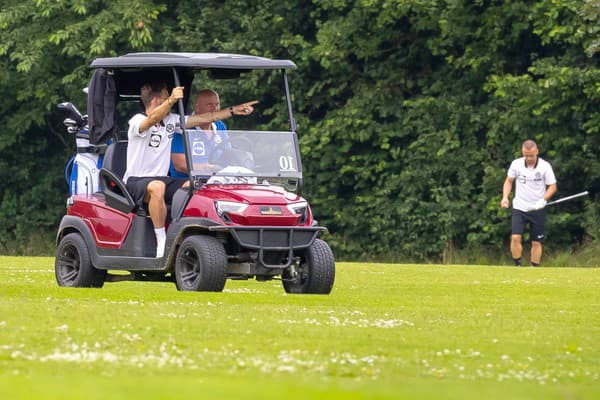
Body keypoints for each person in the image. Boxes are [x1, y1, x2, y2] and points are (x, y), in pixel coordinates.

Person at [124, 81, 257, 257]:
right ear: (156, 101)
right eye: (165, 99)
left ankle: (187, 232)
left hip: (162, 179)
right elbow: (152, 120)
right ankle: (162, 241)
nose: (170, 104)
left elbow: (204, 118)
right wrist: (171, 100)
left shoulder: (172, 121)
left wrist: (233, 110)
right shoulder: (137, 121)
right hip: (136, 181)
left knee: (196, 185)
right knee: (157, 187)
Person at [500, 139, 557, 266]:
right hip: (519, 207)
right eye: (526, 155)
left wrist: (543, 200)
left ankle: (534, 268)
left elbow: (552, 186)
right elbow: (509, 181)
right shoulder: (516, 164)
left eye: (531, 155)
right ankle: (518, 266)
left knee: (536, 242)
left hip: (537, 208)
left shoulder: (544, 166)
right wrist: (505, 197)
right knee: (515, 237)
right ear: (522, 152)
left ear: (537, 151)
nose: (529, 158)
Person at [170, 89, 233, 177]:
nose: (215, 109)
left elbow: (228, 154)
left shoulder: (220, 125)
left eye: (217, 104)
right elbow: (180, 165)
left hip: (217, 180)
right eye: (209, 105)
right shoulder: (183, 127)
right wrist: (210, 168)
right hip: (189, 183)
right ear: (197, 107)